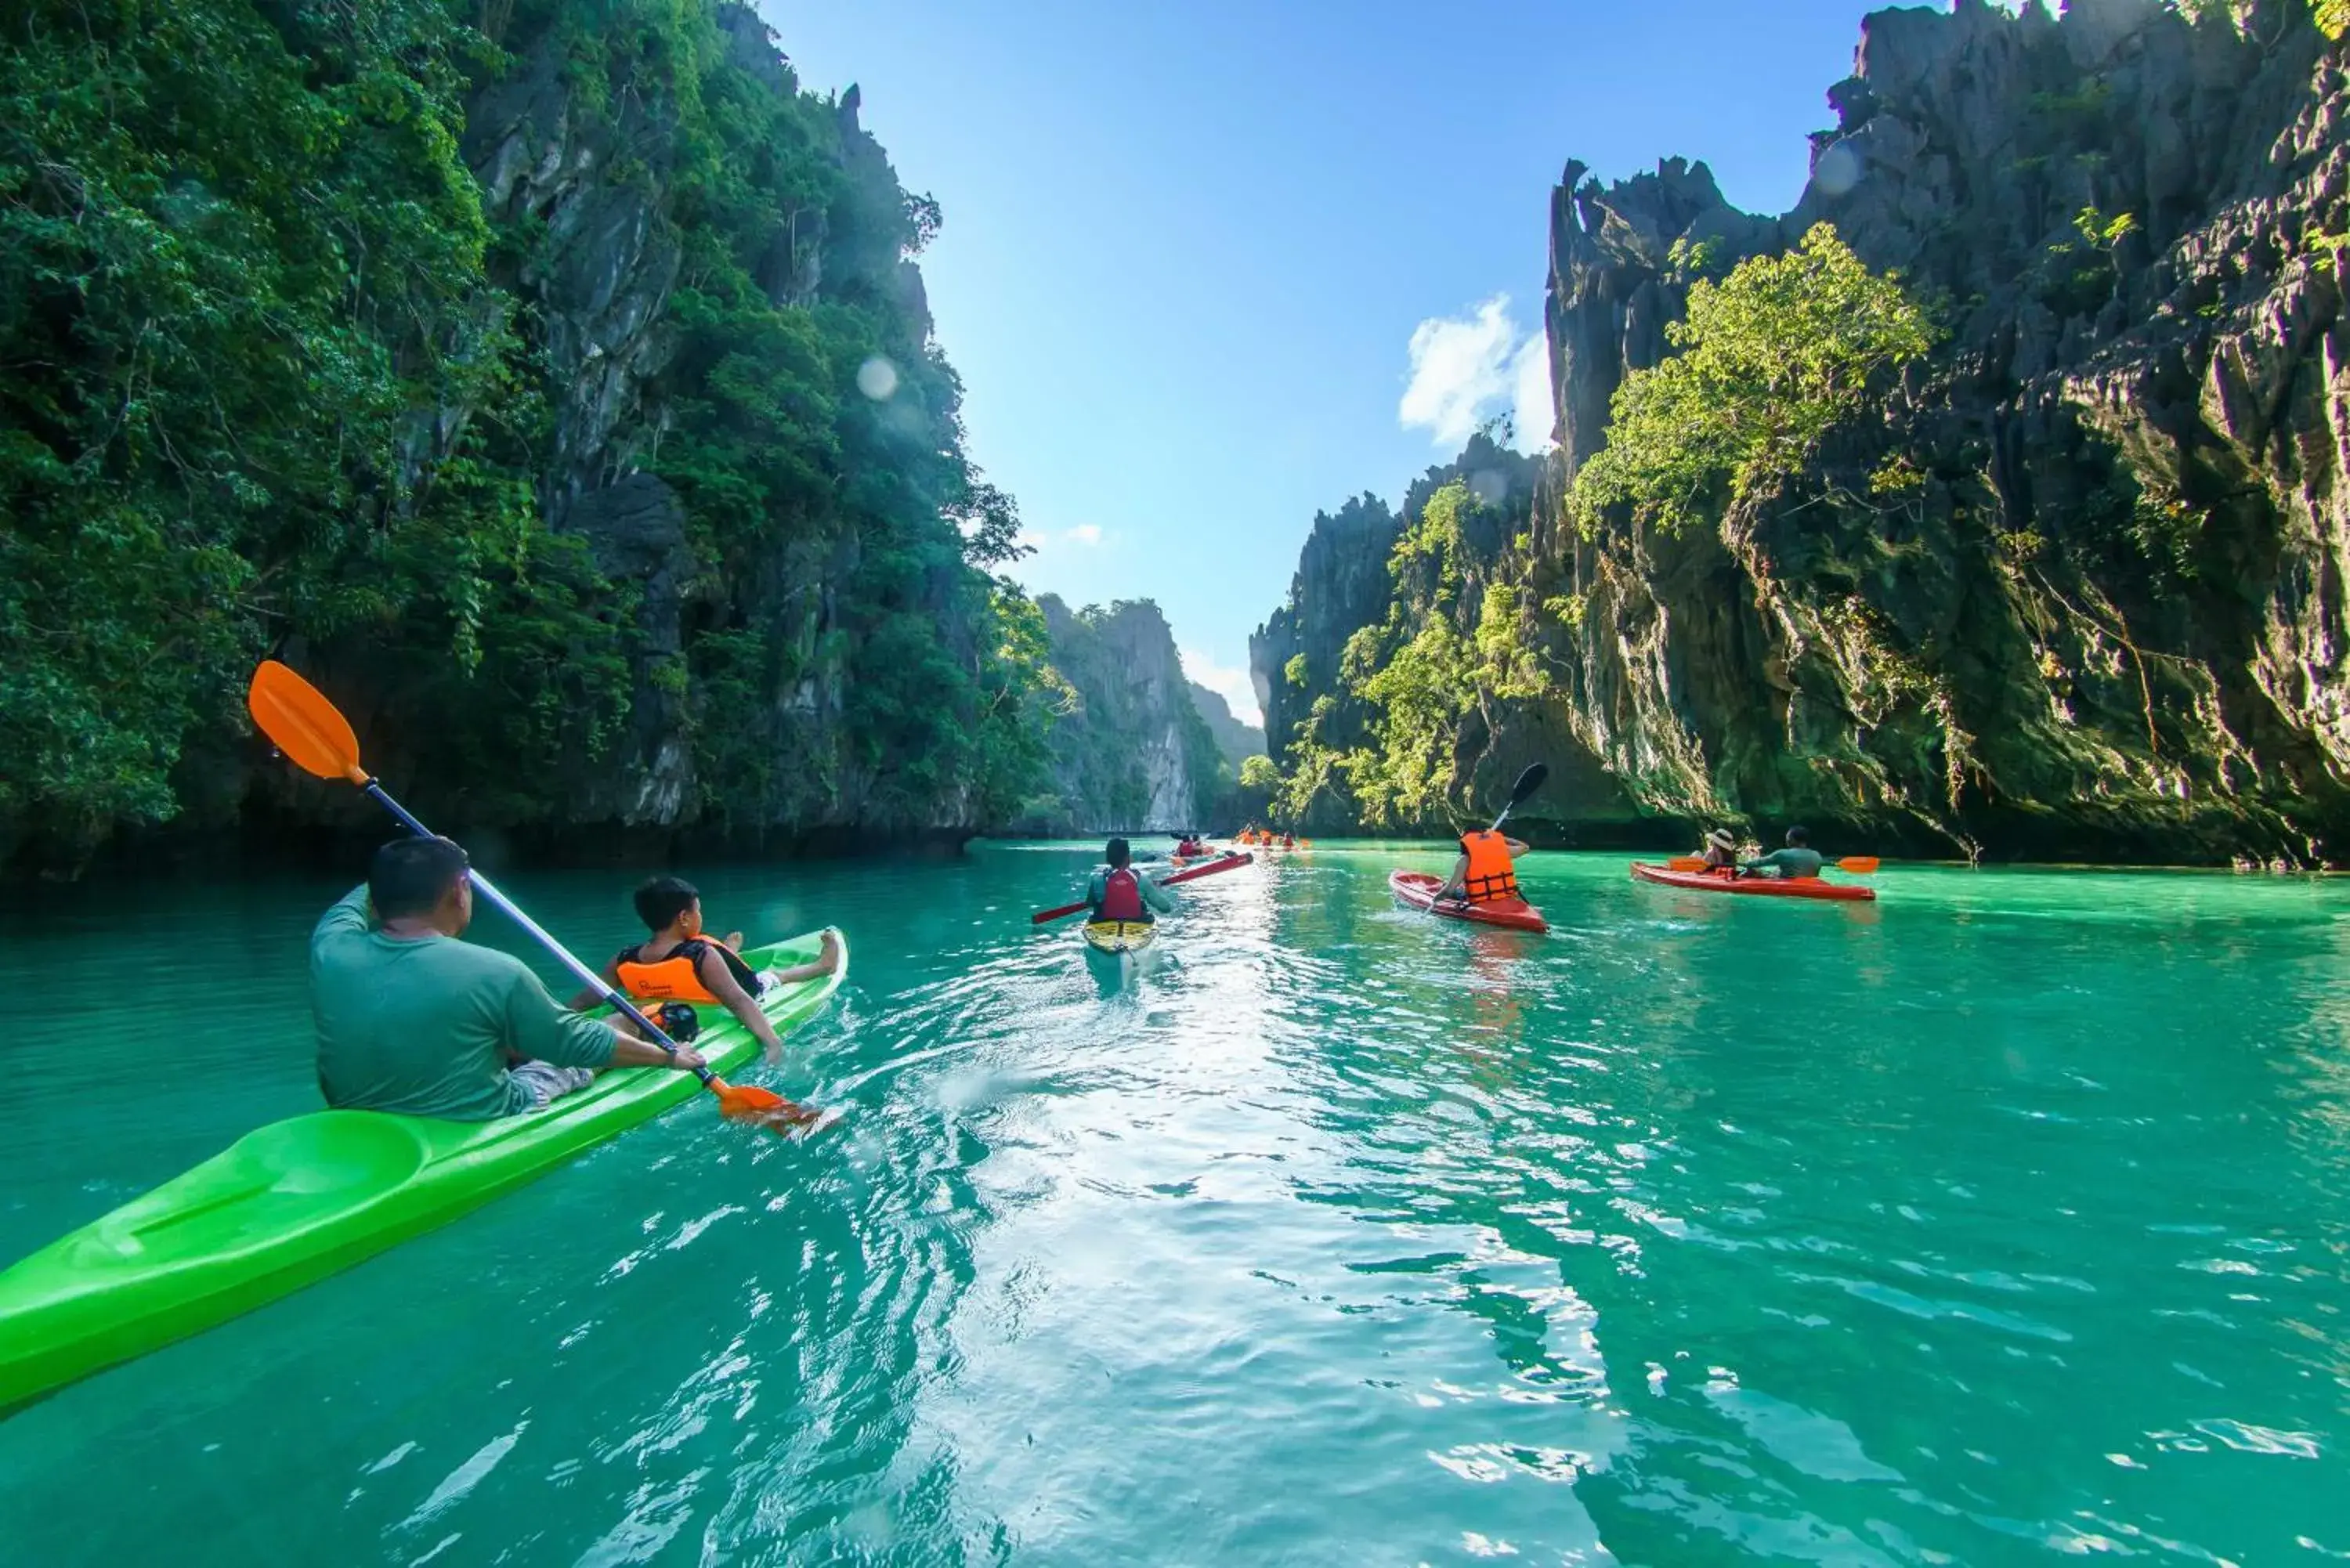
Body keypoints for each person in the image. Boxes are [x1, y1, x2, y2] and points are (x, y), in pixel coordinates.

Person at [311, 837, 709, 1121]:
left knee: (500, 1036)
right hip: (483, 1110)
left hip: (356, 1110)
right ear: (460, 891)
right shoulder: (496, 970)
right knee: (614, 1023)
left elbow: (351, 904)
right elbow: (575, 1043)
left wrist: (413, 865)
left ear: (380, 897)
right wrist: (669, 1057)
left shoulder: (331, 947)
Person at [577, 876, 840, 1068]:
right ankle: (823, 965)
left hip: (678, 1005)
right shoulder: (702, 954)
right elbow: (739, 1001)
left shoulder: (623, 960)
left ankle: (731, 951)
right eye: (698, 910)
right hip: (717, 999)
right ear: (684, 918)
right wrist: (773, 1041)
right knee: (772, 977)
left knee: (728, 968)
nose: (700, 915)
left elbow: (585, 1001)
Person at [1086, 836, 1176, 925]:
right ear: (1128, 858)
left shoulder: (1097, 880)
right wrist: (1151, 889)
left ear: (1107, 859)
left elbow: (1089, 904)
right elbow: (1166, 908)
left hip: (1104, 924)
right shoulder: (1142, 880)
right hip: (1137, 924)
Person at [1438, 826, 1531, 904]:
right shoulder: (1505, 851)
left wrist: (1435, 899)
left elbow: (1448, 891)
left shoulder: (1464, 861)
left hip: (1480, 899)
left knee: (1445, 886)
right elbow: (1525, 847)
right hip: (1505, 895)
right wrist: (1500, 838)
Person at [1742, 826, 1826, 880]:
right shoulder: (1817, 855)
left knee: (1752, 871)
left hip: (1787, 884)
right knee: (1774, 871)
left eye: (1788, 837)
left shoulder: (1783, 854)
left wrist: (1746, 863)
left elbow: (1753, 864)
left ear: (1791, 839)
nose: (1786, 839)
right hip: (1811, 884)